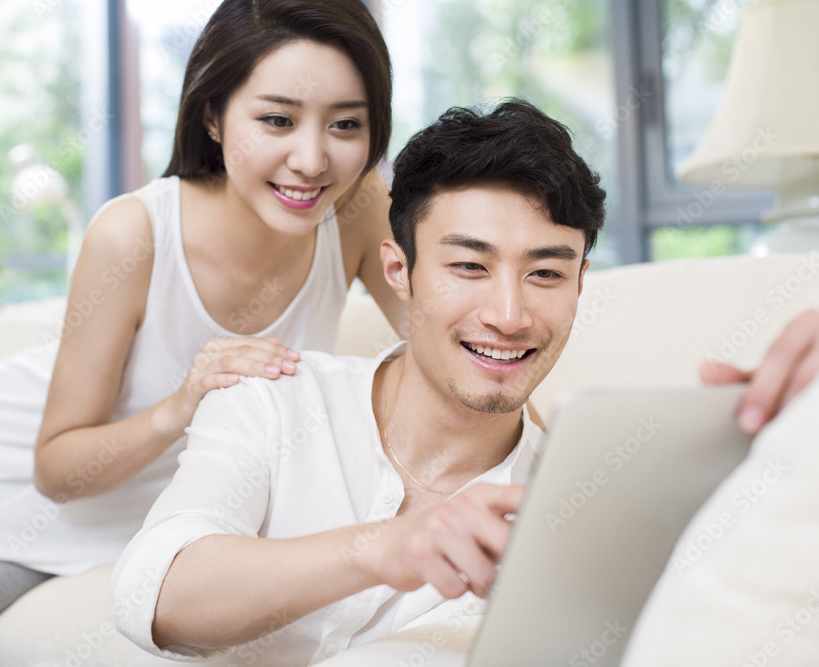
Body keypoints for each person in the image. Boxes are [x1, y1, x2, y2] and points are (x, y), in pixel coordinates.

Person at [110, 100, 819, 666]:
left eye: (546, 272)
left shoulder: (571, 515)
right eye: (469, 266)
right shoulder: (272, 394)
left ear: (580, 283)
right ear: (398, 270)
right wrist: (390, 546)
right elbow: (157, 593)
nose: (509, 316)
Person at [0, 0, 404, 651]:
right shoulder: (135, 231)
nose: (312, 159)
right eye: (276, 119)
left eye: (346, 124)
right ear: (211, 115)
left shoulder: (357, 207)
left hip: (103, 526)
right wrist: (185, 401)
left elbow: (441, 348)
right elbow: (55, 466)